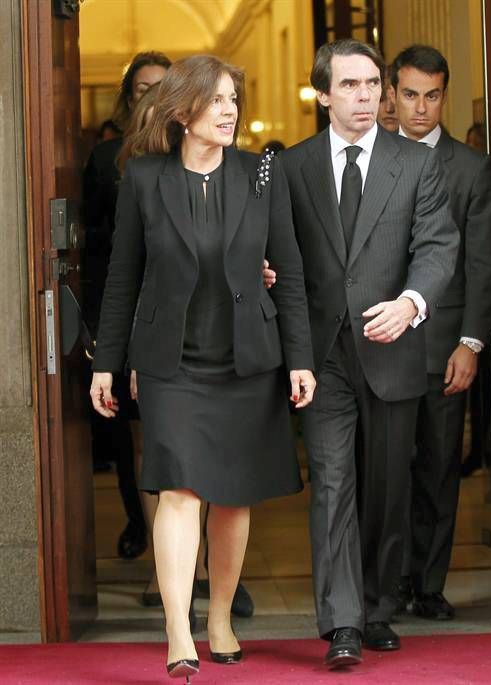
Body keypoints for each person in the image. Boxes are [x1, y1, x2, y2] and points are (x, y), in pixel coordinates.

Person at [89, 54, 315, 681]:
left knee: (234, 499)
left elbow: (289, 273)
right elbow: (122, 278)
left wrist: (299, 359)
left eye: (233, 100)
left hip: (246, 361)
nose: (229, 111)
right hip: (171, 365)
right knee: (180, 491)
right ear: (182, 111)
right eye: (216, 100)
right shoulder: (144, 179)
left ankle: (220, 618)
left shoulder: (261, 174)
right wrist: (107, 364)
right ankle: (178, 632)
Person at [277, 38, 458, 667]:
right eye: (350, 85)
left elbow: (438, 246)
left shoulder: (416, 163)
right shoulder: (293, 167)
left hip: (393, 346)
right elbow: (285, 258)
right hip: (323, 353)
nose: (365, 97)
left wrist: (412, 302)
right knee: (332, 483)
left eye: (372, 85)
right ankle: (343, 622)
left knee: (386, 487)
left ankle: (379, 605)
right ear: (322, 93)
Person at [389, 45, 491, 621]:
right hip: (379, 344)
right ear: (392, 94)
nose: (421, 108)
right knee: (385, 470)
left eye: (432, 96)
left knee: (436, 468)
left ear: (444, 96)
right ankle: (387, 583)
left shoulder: (471, 169)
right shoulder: (368, 159)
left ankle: (428, 583)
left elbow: (483, 265)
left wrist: (471, 342)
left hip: (443, 346)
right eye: (410, 94)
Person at [83, 50, 172, 561]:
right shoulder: (107, 159)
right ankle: (146, 535)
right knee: (134, 441)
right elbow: (85, 241)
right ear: (129, 95)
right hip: (126, 311)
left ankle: (199, 561)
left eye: (165, 86)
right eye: (144, 88)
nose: (155, 96)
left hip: (184, 318)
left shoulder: (197, 152)